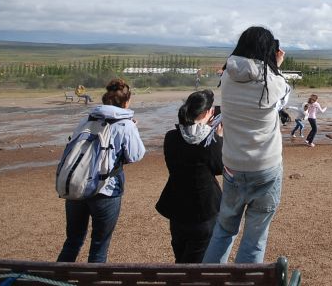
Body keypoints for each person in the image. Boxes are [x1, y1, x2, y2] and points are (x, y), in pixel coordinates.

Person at [203, 26, 292, 264]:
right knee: (255, 237)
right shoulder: (271, 83)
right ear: (269, 51)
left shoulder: (227, 76)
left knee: (224, 229)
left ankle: (210, 279)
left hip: (232, 165)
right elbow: (284, 97)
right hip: (265, 167)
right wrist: (277, 66)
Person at [56, 78, 146, 263]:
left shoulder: (86, 119)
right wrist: (133, 129)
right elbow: (135, 155)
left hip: (77, 185)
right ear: (126, 102)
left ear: (105, 100)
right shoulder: (125, 124)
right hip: (106, 189)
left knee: (72, 241)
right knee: (99, 245)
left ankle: (56, 280)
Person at [156, 90, 223, 263]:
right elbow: (219, 168)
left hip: (177, 206)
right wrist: (219, 138)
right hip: (204, 209)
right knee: (196, 262)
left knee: (181, 253)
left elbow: (174, 164)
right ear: (207, 112)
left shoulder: (171, 137)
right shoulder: (211, 139)